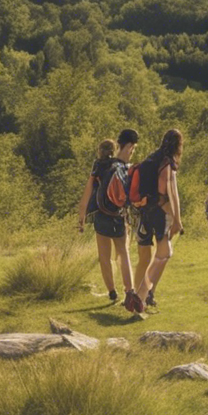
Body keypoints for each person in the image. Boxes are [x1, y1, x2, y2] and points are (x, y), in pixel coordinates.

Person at [76, 130, 141, 312]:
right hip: (118, 216)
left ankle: (112, 293)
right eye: (133, 149)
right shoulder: (125, 167)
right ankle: (130, 291)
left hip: (101, 216)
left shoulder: (99, 165)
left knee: (104, 257)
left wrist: (81, 218)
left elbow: (87, 193)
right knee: (123, 253)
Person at [134, 129, 184, 311]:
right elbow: (172, 194)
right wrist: (177, 219)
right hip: (160, 213)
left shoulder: (152, 159)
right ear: (178, 145)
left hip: (145, 211)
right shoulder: (167, 164)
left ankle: (148, 293)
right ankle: (140, 295)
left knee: (163, 254)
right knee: (163, 255)